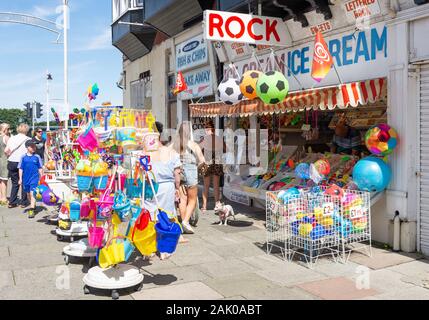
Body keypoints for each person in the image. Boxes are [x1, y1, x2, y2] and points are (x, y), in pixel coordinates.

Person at [140, 129, 186, 252]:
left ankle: (151, 244)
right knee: (167, 215)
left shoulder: (145, 153)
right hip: (167, 187)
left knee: (151, 215)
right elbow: (177, 174)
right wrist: (177, 188)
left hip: (151, 187)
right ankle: (165, 244)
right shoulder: (172, 153)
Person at [171, 121, 205, 234]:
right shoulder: (193, 145)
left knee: (182, 199)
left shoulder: (174, 145)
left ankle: (184, 223)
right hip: (191, 172)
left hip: (178, 172)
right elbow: (202, 161)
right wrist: (197, 166)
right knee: (192, 199)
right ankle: (185, 221)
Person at [199, 120, 225, 211]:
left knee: (206, 185)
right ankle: (217, 204)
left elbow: (198, 150)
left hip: (207, 163)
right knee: (216, 185)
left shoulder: (204, 139)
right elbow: (225, 149)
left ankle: (204, 206)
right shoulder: (218, 138)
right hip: (217, 162)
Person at [5, 124, 31, 208]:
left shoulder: (11, 138)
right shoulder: (28, 139)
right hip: (24, 163)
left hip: (12, 161)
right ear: (27, 130)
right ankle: (23, 202)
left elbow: (6, 150)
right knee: (24, 182)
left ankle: (12, 201)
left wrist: (9, 156)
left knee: (14, 183)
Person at [18, 140, 43, 219]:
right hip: (26, 179)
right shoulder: (23, 157)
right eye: (32, 146)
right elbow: (20, 169)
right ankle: (33, 204)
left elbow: (40, 168)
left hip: (34, 178)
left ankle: (31, 209)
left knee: (33, 193)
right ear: (27, 147)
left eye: (34, 146)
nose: (33, 148)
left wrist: (42, 177)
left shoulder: (37, 157)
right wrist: (20, 179)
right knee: (28, 194)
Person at [0, 123, 10, 205]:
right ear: (4, 129)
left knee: (0, 180)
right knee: (4, 180)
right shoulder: (6, 138)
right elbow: (10, 149)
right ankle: (4, 198)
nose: (9, 131)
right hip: (4, 160)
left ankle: (1, 196)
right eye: (8, 129)